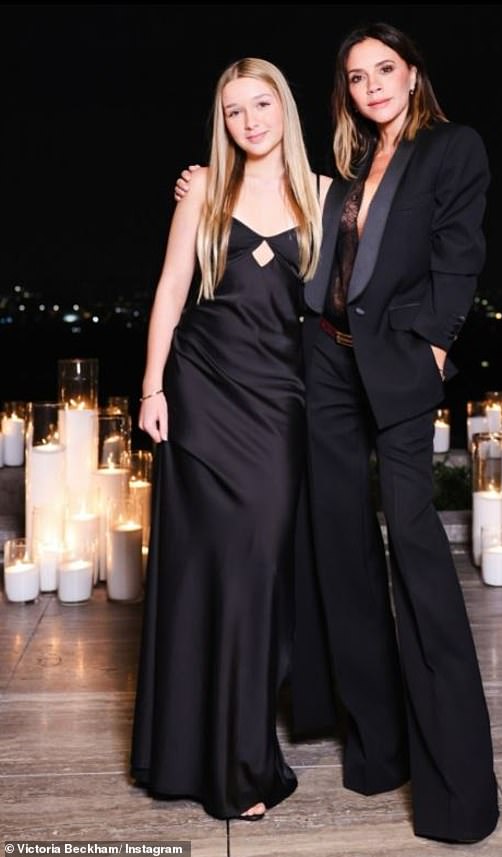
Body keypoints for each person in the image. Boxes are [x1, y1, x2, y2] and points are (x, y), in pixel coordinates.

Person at [175, 22, 499, 844]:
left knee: (415, 557)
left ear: (413, 71)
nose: (372, 86)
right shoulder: (350, 171)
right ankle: (375, 751)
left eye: (384, 69)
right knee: (339, 555)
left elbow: (460, 257)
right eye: (356, 77)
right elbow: (303, 241)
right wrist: (202, 185)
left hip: (394, 372)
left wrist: (431, 345)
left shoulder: (452, 148)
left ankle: (460, 795)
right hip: (324, 369)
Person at [130, 56, 327, 822]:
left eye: (262, 104)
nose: (250, 121)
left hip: (281, 407)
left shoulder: (322, 194)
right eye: (235, 110)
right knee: (202, 573)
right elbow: (171, 289)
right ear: (224, 120)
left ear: (284, 107)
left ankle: (236, 743)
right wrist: (151, 388)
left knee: (259, 573)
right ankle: (223, 763)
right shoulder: (205, 190)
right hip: (200, 397)